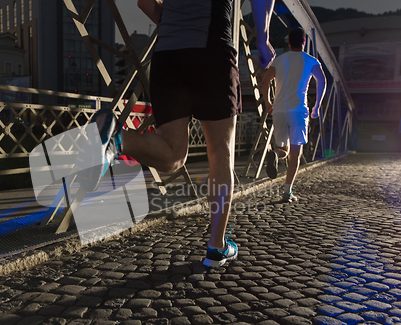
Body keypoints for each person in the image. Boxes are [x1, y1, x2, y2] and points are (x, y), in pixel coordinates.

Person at [99, 0, 276, 268]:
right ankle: (216, 247)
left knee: (173, 155)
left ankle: (119, 138)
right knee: (220, 153)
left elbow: (144, 2)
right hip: (213, 49)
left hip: (168, 55)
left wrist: (174, 21)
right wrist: (262, 39)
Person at [262, 27, 326, 202]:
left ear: (288, 42)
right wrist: (317, 105)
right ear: (304, 42)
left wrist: (268, 102)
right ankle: (287, 192)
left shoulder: (279, 60)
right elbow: (322, 80)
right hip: (298, 110)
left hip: (279, 110)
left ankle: (275, 154)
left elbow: (265, 80)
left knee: (283, 148)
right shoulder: (311, 60)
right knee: (295, 153)